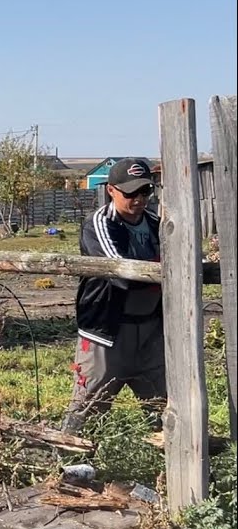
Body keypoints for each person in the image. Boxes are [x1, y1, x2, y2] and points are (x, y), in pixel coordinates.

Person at [61, 158, 164, 434]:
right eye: (130, 192)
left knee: (167, 410)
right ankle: (71, 467)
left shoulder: (159, 223)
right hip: (106, 336)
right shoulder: (99, 224)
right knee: (87, 413)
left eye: (145, 191)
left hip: (151, 333)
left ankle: (173, 473)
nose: (139, 199)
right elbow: (120, 272)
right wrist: (166, 270)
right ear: (111, 190)